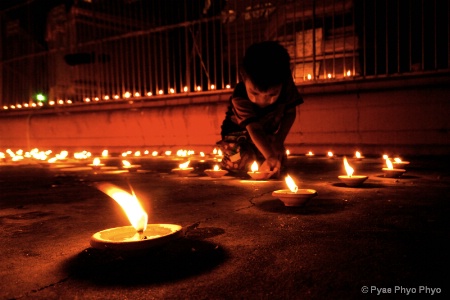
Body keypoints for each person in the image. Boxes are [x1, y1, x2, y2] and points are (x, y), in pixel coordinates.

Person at [217, 41, 303, 178]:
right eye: (255, 93)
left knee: (278, 160)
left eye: (272, 94)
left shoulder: (287, 87)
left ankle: (261, 155)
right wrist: (269, 155)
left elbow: (290, 114)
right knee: (239, 160)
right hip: (238, 136)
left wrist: (278, 141)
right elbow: (254, 129)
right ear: (244, 76)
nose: (262, 101)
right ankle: (229, 158)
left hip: (264, 134)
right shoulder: (240, 96)